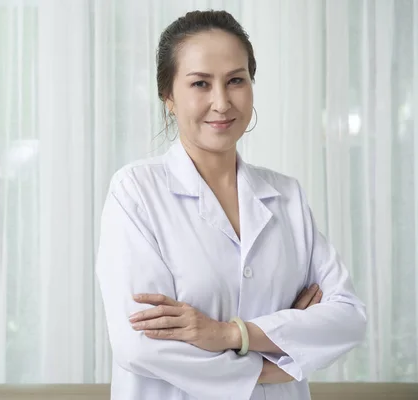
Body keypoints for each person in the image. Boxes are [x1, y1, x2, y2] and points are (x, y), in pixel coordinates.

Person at [95, 9, 367, 400]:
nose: (221, 102)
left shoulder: (286, 195)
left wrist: (228, 334)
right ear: (168, 96)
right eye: (200, 84)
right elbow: (140, 345)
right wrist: (281, 357)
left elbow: (347, 319)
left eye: (235, 81)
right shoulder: (136, 192)